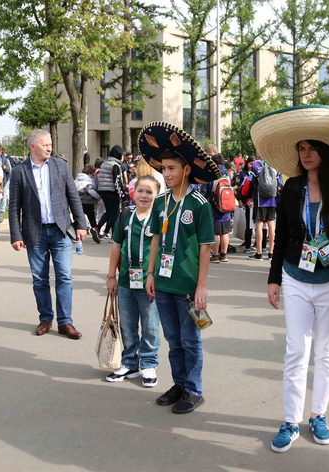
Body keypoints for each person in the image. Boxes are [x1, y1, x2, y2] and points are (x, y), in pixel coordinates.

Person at [251, 105, 329, 452]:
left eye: (312, 148)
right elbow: (285, 235)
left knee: (327, 353)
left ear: (327, 152)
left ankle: (318, 415)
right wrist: (273, 278)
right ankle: (291, 420)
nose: (306, 155)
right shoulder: (291, 187)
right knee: (296, 350)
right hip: (294, 278)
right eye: (301, 149)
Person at [140, 122, 221, 414]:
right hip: (163, 283)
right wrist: (150, 274)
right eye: (163, 169)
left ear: (186, 170)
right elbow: (155, 241)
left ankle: (194, 389)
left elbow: (205, 248)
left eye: (172, 168)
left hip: (187, 285)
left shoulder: (200, 204)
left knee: (190, 339)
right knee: (172, 339)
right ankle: (179, 384)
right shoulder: (160, 203)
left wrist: (201, 286)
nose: (166, 174)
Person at [8, 129, 87, 339]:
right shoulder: (19, 171)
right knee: (40, 279)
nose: (50, 148)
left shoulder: (60, 166)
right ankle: (45, 318)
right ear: (32, 146)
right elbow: (14, 206)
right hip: (35, 233)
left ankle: (65, 322)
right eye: (45, 145)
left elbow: (73, 197)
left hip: (61, 231)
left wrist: (81, 224)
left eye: (51, 144)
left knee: (64, 277)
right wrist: (15, 235)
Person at [105, 175, 162, 387]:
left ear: (157, 196)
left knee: (150, 325)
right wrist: (111, 276)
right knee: (127, 324)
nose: (144, 195)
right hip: (126, 281)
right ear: (133, 192)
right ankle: (129, 362)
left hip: (149, 282)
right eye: (141, 191)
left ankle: (149, 363)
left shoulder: (158, 217)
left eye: (149, 192)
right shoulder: (126, 214)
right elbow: (116, 246)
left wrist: (153, 275)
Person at [249, 158, 279, 260]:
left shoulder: (256, 164)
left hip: (260, 198)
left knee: (259, 223)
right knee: (271, 223)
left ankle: (259, 253)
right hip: (272, 198)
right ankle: (271, 252)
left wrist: (249, 197)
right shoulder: (275, 163)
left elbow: (251, 182)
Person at [204, 153, 231, 263]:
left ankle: (215, 255)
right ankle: (224, 255)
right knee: (225, 232)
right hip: (226, 206)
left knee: (216, 233)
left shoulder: (212, 173)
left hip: (215, 206)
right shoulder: (228, 174)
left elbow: (207, 190)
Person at [96, 145, 126, 239]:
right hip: (112, 192)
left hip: (103, 191)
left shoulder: (104, 164)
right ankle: (115, 235)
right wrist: (123, 195)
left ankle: (97, 227)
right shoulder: (115, 165)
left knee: (109, 212)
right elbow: (117, 181)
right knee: (115, 214)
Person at [74, 164, 102, 243]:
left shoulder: (77, 179)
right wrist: (98, 197)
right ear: (90, 173)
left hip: (78, 202)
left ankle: (75, 233)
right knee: (92, 218)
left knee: (79, 218)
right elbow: (90, 191)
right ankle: (95, 230)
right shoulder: (87, 180)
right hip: (88, 202)